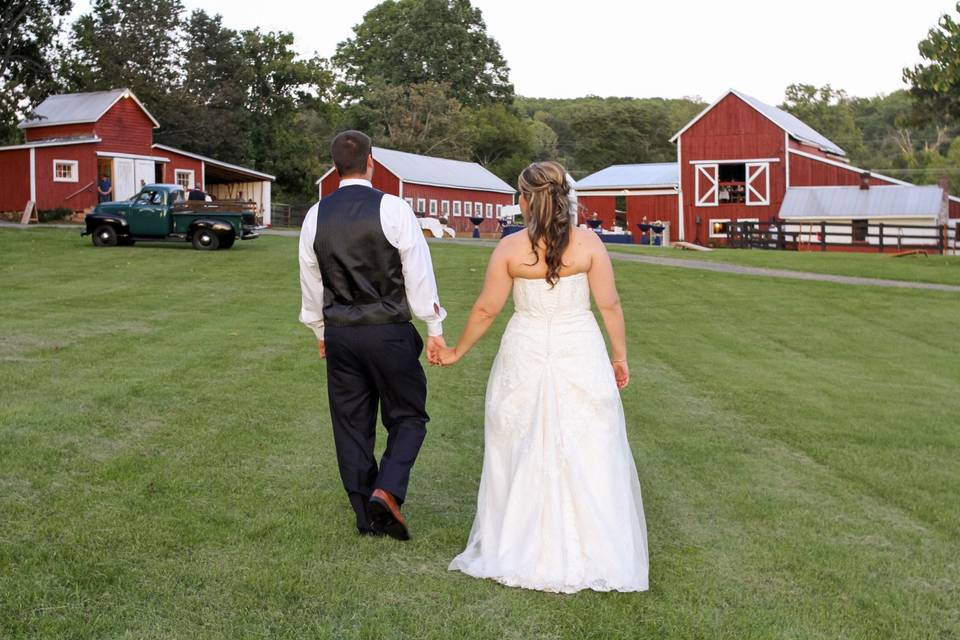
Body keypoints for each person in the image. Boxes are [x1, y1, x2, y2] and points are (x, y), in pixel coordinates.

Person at [438, 161, 649, 593]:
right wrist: (620, 356)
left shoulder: (510, 248)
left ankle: (516, 543)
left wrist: (457, 351)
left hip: (527, 348)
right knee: (589, 438)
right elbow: (609, 304)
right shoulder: (589, 243)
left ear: (525, 199)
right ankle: (597, 548)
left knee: (518, 438)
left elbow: (486, 309)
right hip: (579, 348)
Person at [299, 130, 447, 540]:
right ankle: (387, 490)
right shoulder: (394, 209)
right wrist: (433, 327)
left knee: (350, 423)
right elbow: (418, 272)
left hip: (342, 333)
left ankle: (366, 516)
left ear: (334, 167)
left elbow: (311, 282)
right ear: (371, 162)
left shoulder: (315, 215)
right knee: (409, 415)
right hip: (389, 330)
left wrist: (319, 330)